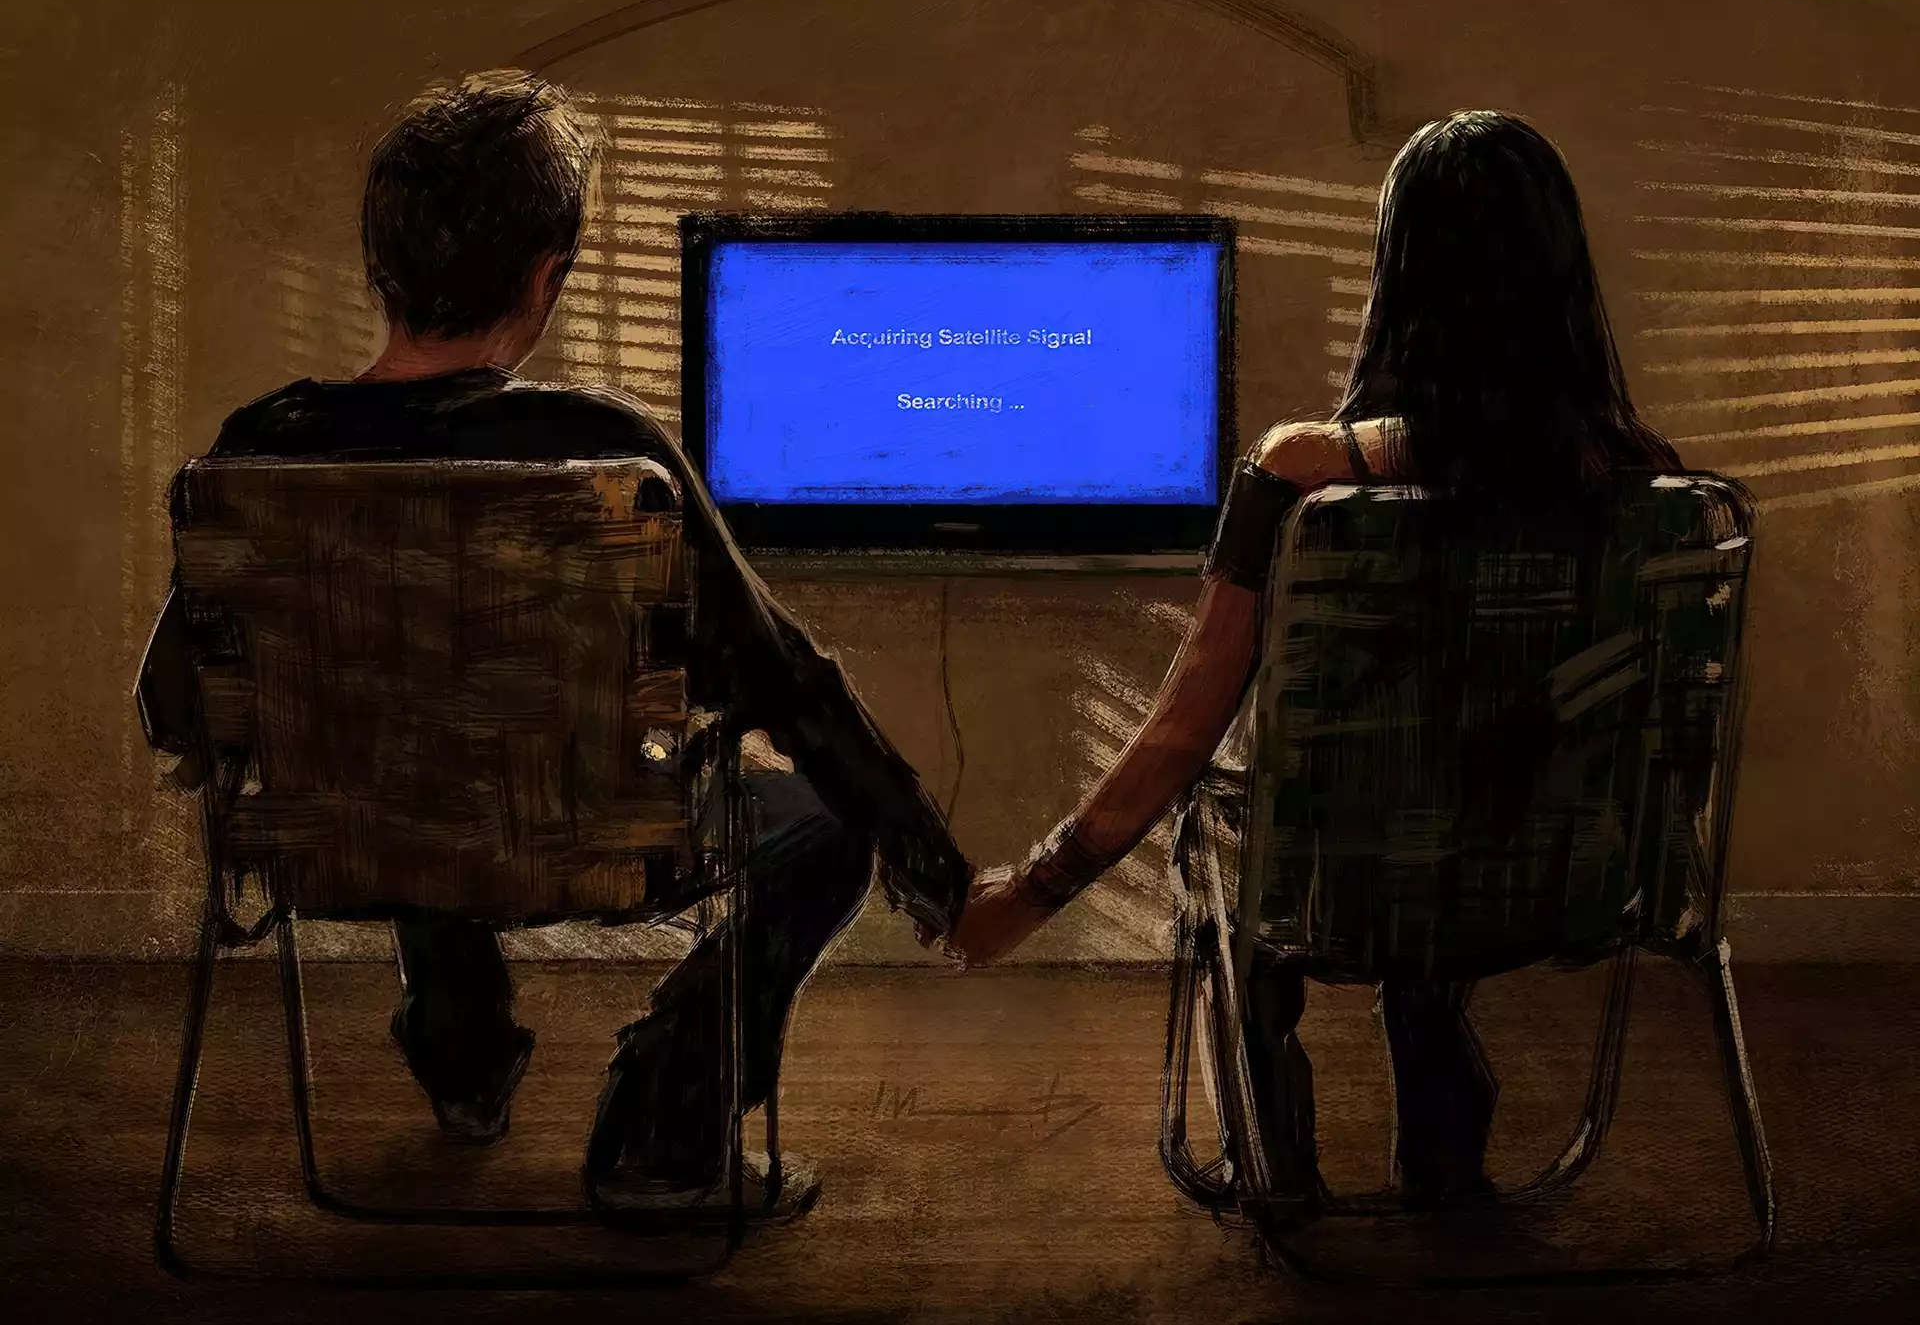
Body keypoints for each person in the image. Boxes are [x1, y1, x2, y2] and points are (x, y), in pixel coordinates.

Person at [136, 70, 971, 1218]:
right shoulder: (601, 450)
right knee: (822, 824)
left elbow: (172, 701)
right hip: (593, 840)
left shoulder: (257, 451)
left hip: (337, 841)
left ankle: (463, 1053)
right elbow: (782, 679)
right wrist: (938, 874)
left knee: (407, 728)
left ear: (382, 264)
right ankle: (661, 1139)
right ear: (545, 276)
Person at [945, 110, 1683, 1215]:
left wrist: (1035, 889)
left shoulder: (1305, 474)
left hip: (1342, 888)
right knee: (1462, 770)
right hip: (1568, 885)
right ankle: (1445, 1147)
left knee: (1269, 830)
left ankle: (1277, 1160)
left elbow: (1185, 724)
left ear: (1402, 279)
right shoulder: (1648, 487)